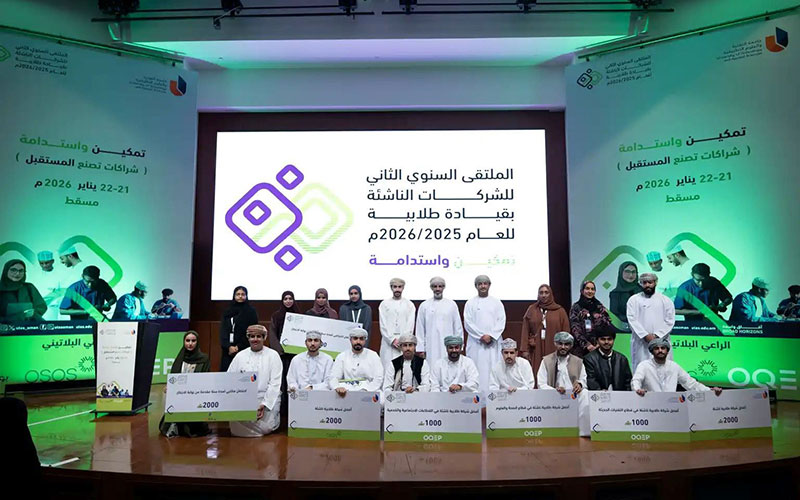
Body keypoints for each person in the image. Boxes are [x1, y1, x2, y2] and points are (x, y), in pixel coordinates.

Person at [227, 324, 282, 436]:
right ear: (248, 338)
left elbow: (275, 384)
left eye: (258, 336)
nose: (255, 339)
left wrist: (264, 404)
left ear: (264, 338)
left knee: (267, 427)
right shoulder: (240, 356)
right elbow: (229, 380)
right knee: (235, 427)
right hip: (244, 400)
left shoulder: (273, 355)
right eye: (252, 336)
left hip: (266, 399)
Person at [536, 331, 590, 436]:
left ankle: (583, 431)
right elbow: (541, 383)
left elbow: (583, 379)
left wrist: (579, 384)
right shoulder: (546, 360)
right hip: (553, 395)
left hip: (573, 395)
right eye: (560, 344)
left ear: (571, 346)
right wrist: (555, 391)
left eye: (567, 344)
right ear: (555, 343)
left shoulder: (578, 361)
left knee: (585, 394)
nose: (563, 347)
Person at [159, 331, 211, 438]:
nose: (190, 343)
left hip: (196, 394)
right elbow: (174, 376)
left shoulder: (204, 359)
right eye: (187, 341)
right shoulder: (180, 358)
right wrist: (169, 386)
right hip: (179, 394)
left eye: (193, 341)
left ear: (197, 342)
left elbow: (205, 378)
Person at [632, 338, 722, 395]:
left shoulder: (674, 366)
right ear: (652, 352)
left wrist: (709, 390)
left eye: (663, 348)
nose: (660, 351)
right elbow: (636, 380)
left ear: (667, 351)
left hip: (672, 405)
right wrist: (638, 390)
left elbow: (690, 383)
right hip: (650, 404)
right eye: (656, 348)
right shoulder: (644, 365)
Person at [464, 275, 506, 393]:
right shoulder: (470, 303)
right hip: (476, 343)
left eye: (485, 284)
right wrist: (481, 336)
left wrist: (491, 336)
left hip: (493, 343)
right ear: (476, 286)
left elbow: (501, 321)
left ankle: (493, 397)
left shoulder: (497, 302)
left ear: (489, 285)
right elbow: (468, 323)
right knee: (476, 369)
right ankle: (477, 398)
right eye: (480, 284)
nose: (483, 286)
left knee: (493, 369)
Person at [627, 273, 675, 372]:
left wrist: (657, 335)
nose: (647, 285)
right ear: (641, 284)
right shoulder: (633, 300)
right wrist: (645, 335)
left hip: (661, 341)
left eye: (650, 282)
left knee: (663, 370)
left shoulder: (665, 300)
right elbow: (632, 319)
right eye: (644, 283)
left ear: (655, 283)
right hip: (641, 342)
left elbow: (670, 320)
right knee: (641, 370)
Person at [519, 284, 569, 377]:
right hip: (536, 348)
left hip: (553, 348)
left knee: (553, 373)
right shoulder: (532, 309)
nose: (544, 295)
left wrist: (564, 347)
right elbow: (525, 330)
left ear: (550, 294)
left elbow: (566, 332)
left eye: (546, 292)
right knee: (537, 372)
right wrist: (524, 349)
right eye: (541, 293)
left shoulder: (560, 311)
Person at [416, 277, 463, 363]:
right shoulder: (424, 305)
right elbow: (420, 328)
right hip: (430, 346)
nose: (437, 289)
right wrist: (421, 348)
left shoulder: (451, 305)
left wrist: (459, 345)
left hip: (449, 346)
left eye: (440, 286)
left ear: (443, 287)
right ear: (431, 288)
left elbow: (457, 327)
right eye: (435, 286)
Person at [330, 327, 384, 395]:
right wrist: (337, 387)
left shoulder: (373, 355)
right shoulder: (342, 356)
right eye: (355, 338)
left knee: (381, 397)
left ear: (365, 340)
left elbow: (379, 378)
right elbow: (334, 377)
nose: (358, 342)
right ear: (350, 340)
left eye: (361, 339)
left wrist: (367, 389)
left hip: (368, 390)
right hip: (347, 391)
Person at [378, 278, 416, 368]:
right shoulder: (384, 304)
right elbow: (383, 325)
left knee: (403, 369)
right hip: (388, 344)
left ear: (403, 288)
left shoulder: (409, 305)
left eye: (400, 287)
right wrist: (392, 340)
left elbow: (410, 325)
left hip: (404, 344)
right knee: (387, 368)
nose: (397, 289)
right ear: (391, 288)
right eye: (395, 287)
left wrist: (402, 340)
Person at [219, 286, 259, 372]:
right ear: (234, 296)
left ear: (246, 296)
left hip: (244, 349)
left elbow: (253, 331)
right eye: (238, 294)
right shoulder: (227, 311)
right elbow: (223, 331)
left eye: (243, 294)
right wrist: (228, 347)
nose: (240, 296)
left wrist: (238, 347)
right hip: (228, 351)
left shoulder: (251, 311)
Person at [568, 280, 612, 358]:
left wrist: (600, 343)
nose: (590, 291)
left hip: (599, 347)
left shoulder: (599, 306)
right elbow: (575, 329)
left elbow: (607, 324)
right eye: (587, 288)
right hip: (581, 349)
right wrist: (587, 345)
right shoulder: (576, 307)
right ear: (582, 291)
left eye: (592, 289)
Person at [608, 261, 642, 327]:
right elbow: (615, 316)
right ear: (621, 273)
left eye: (633, 272)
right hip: (625, 329)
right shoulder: (615, 294)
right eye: (627, 272)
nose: (631, 275)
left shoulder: (643, 291)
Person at [268, 290, 300, 356]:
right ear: (282, 301)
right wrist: (279, 350)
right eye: (285, 299)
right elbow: (273, 335)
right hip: (281, 352)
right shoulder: (276, 316)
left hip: (295, 352)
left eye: (290, 299)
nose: (288, 301)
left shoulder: (299, 315)